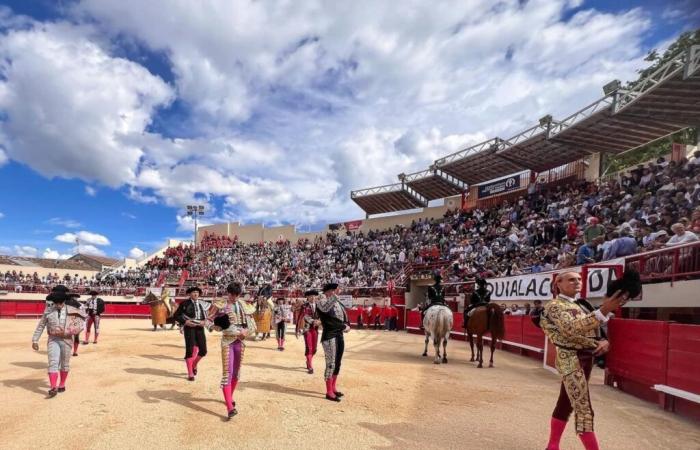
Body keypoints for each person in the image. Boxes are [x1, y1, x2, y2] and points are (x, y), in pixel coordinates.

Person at [540, 271, 628, 450]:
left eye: (579, 279)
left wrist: (603, 341)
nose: (577, 282)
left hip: (586, 358)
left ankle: (552, 446)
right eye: (571, 279)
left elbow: (595, 329)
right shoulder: (554, 305)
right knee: (583, 407)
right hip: (571, 359)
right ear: (558, 283)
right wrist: (604, 309)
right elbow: (571, 329)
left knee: (565, 402)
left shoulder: (582, 305)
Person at [207, 282, 252, 420]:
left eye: (237, 295)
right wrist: (217, 328)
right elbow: (208, 321)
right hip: (227, 341)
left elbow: (252, 324)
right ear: (228, 293)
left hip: (241, 341)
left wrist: (247, 332)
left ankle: (229, 398)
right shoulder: (220, 304)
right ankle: (229, 407)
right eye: (232, 295)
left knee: (236, 373)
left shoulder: (244, 305)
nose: (234, 298)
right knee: (227, 373)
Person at [32, 287, 86, 397]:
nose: (58, 305)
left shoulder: (72, 310)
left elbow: (81, 323)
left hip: (67, 339)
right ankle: (53, 387)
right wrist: (35, 340)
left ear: (64, 301)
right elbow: (41, 325)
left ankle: (62, 384)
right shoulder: (48, 312)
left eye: (60, 303)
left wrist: (73, 331)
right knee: (53, 362)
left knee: (65, 363)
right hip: (53, 339)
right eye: (56, 303)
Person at [317, 283, 350, 402]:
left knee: (338, 362)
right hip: (330, 335)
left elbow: (344, 316)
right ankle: (328, 391)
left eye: (334, 291)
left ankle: (333, 388)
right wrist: (342, 326)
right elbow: (325, 309)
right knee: (330, 363)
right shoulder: (321, 300)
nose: (334, 293)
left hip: (338, 334)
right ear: (326, 292)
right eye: (332, 291)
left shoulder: (337, 302)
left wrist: (346, 325)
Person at [174, 286, 210, 381]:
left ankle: (194, 364)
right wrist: (185, 322)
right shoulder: (184, 304)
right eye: (193, 292)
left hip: (200, 328)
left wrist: (205, 322)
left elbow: (208, 316)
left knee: (203, 350)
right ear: (190, 294)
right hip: (189, 328)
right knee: (190, 350)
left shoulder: (203, 304)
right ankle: (190, 373)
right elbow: (176, 315)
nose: (195, 294)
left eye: (197, 292)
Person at [296, 289, 320, 374]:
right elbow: (304, 316)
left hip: (315, 329)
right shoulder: (304, 306)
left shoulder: (319, 305)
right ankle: (310, 365)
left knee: (314, 349)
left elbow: (323, 315)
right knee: (309, 347)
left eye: (314, 296)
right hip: (307, 329)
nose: (313, 298)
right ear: (307, 297)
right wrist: (314, 321)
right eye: (310, 296)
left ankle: (308, 361)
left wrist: (320, 321)